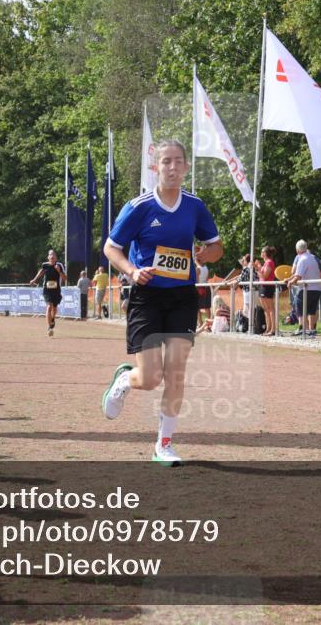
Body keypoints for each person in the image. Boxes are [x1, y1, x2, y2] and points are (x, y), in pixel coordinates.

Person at [100, 139, 223, 467]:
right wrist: (131, 271)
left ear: (185, 168)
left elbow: (216, 246)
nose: (171, 167)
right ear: (155, 167)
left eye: (177, 161)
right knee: (151, 378)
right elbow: (111, 248)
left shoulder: (195, 206)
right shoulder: (139, 206)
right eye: (165, 162)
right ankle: (127, 379)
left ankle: (163, 444)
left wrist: (206, 253)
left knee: (176, 372)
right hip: (147, 297)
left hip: (183, 296)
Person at [283, 239, 321, 337]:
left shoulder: (302, 259)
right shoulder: (312, 257)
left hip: (307, 288)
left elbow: (298, 275)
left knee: (298, 306)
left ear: (297, 250)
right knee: (312, 309)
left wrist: (290, 282)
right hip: (317, 288)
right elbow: (298, 274)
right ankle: (312, 330)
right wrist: (290, 278)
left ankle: (303, 328)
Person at [28, 249, 66, 336]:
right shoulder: (45, 265)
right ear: (48, 257)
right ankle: (50, 327)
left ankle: (52, 319)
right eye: (50, 255)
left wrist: (59, 271)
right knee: (49, 307)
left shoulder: (59, 265)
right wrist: (34, 280)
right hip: (47, 290)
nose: (52, 256)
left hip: (57, 290)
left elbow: (65, 278)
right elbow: (41, 272)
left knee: (55, 308)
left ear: (56, 258)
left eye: (53, 255)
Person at [258, 246, 278, 336]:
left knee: (270, 309)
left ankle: (273, 329)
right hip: (262, 286)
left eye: (262, 252)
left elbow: (265, 276)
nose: (261, 253)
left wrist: (258, 267)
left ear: (265, 253)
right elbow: (261, 276)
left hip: (268, 287)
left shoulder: (269, 262)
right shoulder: (265, 263)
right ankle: (268, 328)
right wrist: (257, 268)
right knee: (266, 309)